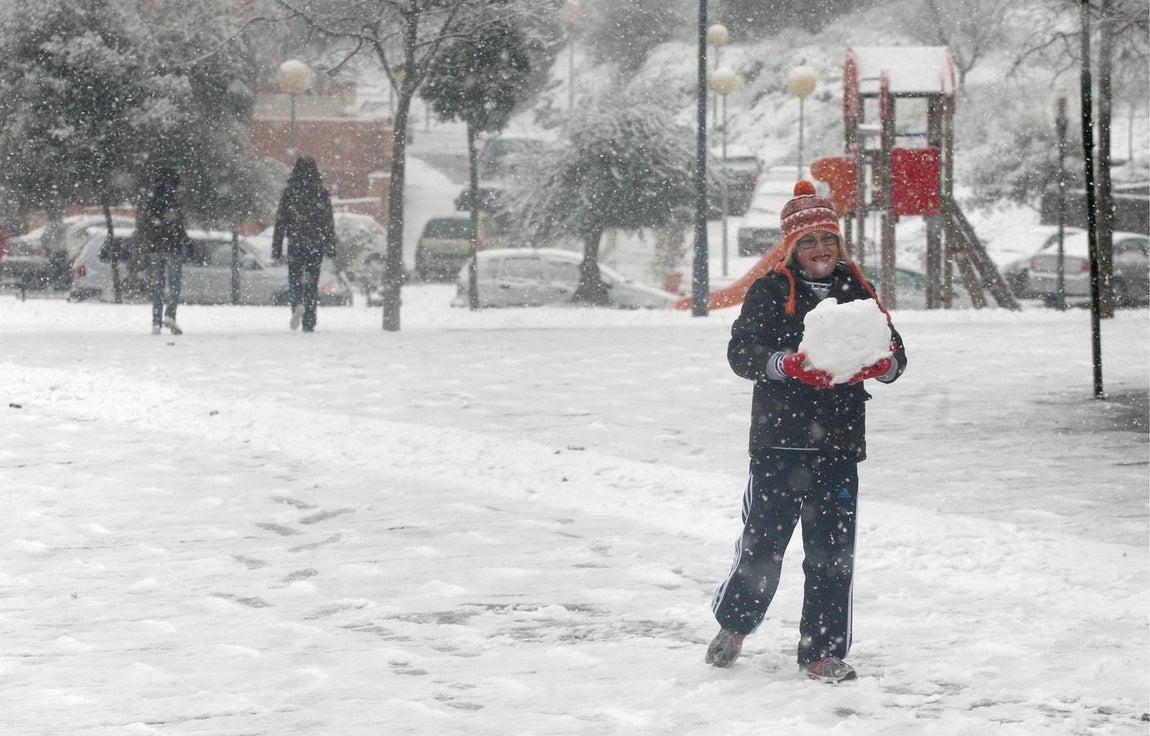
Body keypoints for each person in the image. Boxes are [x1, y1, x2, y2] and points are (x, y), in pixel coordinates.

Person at [706, 180, 907, 683]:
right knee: (763, 545)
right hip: (779, 443)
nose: (820, 250)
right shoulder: (771, 290)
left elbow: (896, 356)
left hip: (839, 444)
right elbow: (741, 354)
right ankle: (735, 624)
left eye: (828, 240)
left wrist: (880, 365)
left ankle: (822, 652)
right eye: (809, 242)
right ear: (792, 247)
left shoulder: (858, 290)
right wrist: (787, 365)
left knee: (833, 554)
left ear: (840, 244)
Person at [271, 156, 337, 332]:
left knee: (295, 280)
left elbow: (281, 221)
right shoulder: (321, 192)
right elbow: (328, 222)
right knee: (311, 283)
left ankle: (297, 306)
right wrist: (330, 245)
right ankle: (309, 319)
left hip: (296, 242)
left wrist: (276, 247)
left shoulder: (290, 192)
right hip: (316, 244)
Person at [138, 167, 189, 335]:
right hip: (172, 246)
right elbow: (178, 223)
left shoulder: (152, 198)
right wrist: (185, 241)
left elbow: (146, 222)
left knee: (157, 286)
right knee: (174, 284)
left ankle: (155, 322)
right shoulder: (176, 198)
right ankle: (170, 315)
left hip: (155, 247)